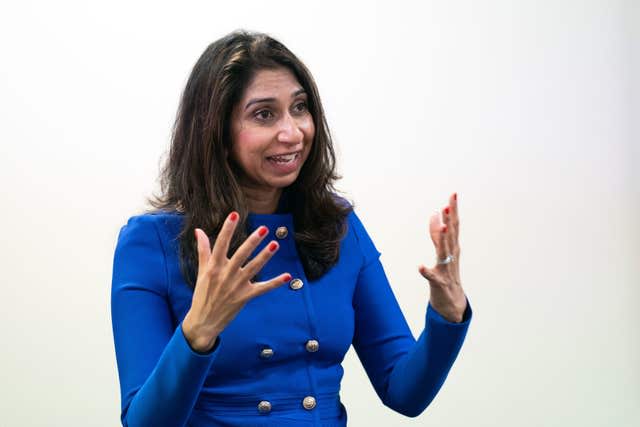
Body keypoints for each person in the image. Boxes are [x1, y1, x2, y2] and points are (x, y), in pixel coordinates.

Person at [111, 30, 472, 427]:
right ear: (217, 132)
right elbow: (143, 423)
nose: (292, 132)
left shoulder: (338, 226)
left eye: (299, 108)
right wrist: (198, 330)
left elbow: (404, 391)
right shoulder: (151, 243)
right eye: (264, 114)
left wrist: (447, 314)